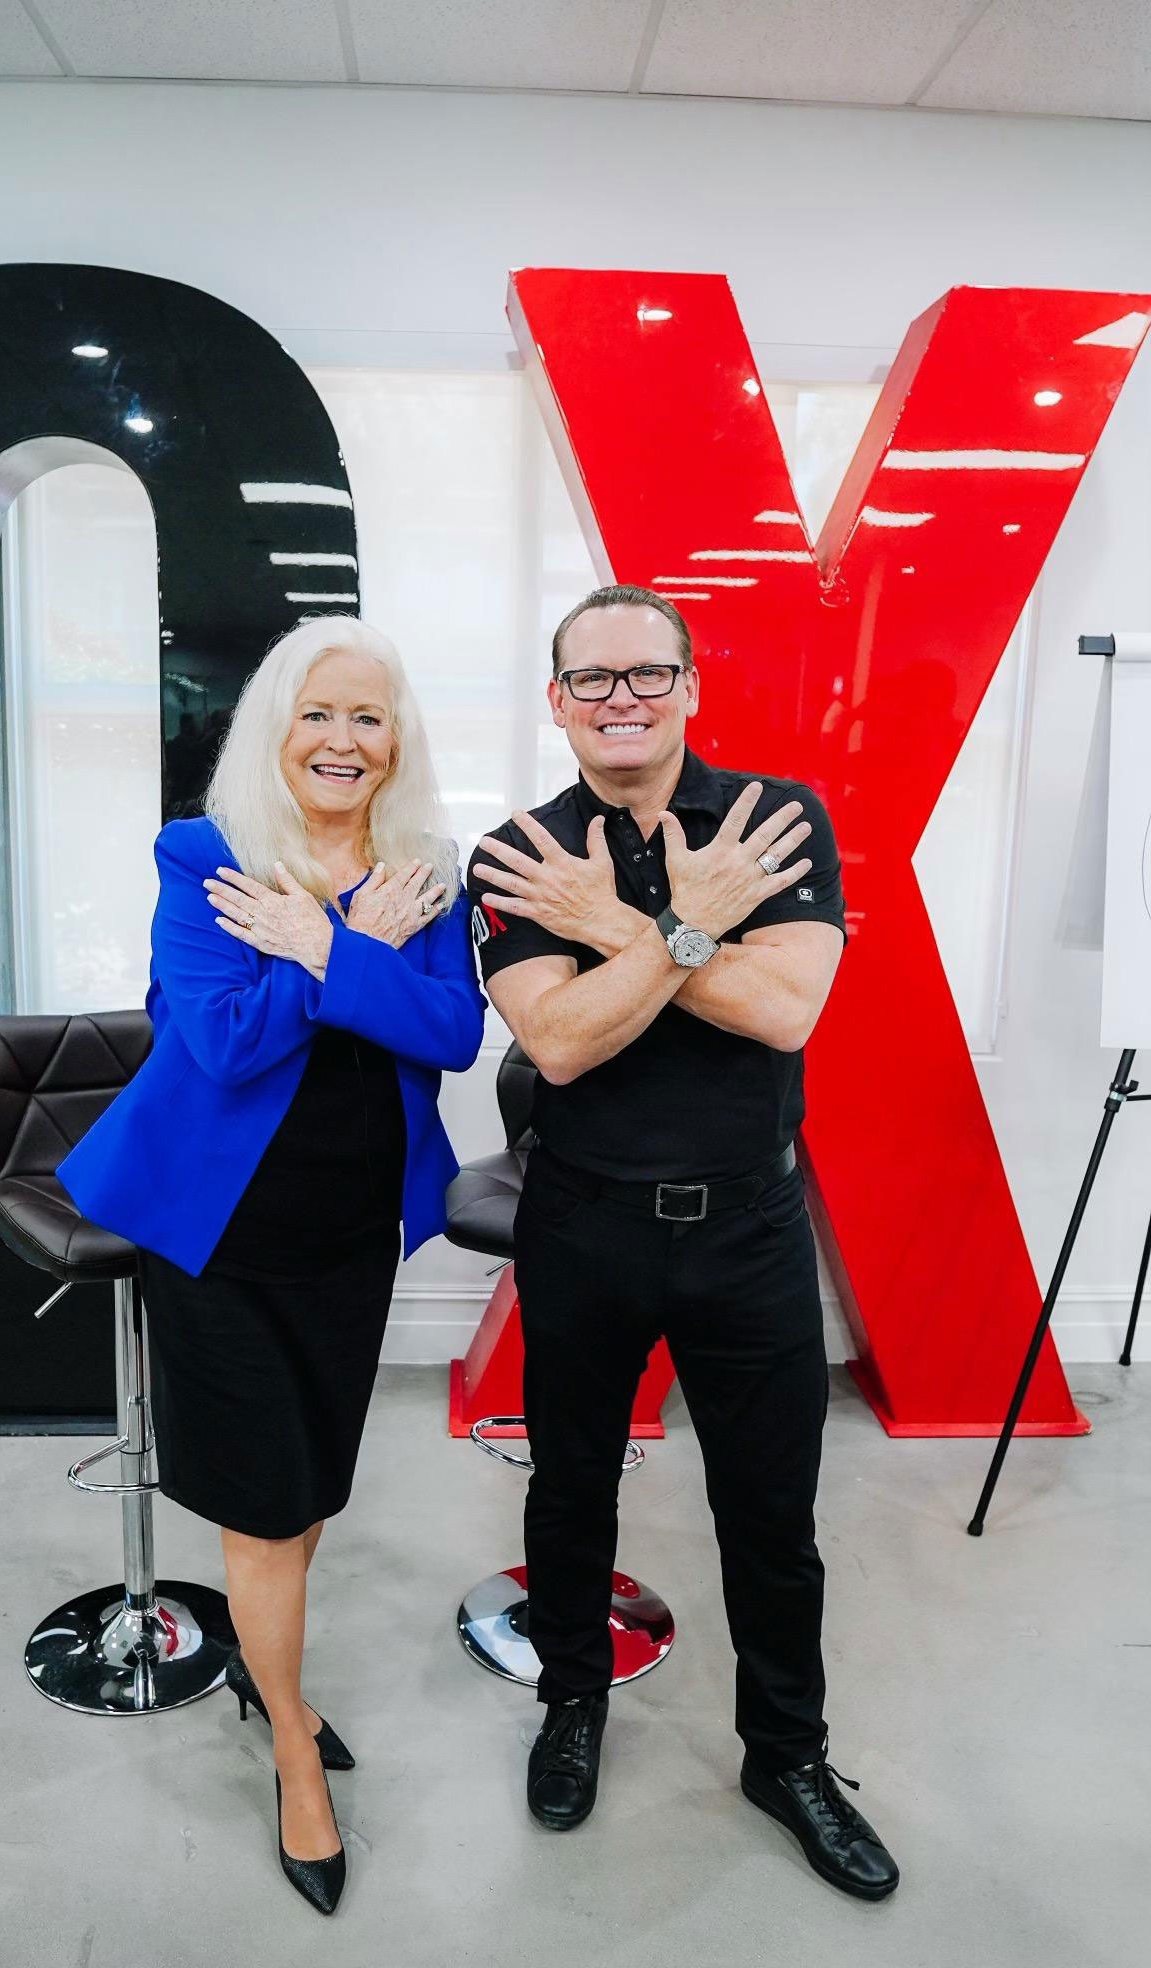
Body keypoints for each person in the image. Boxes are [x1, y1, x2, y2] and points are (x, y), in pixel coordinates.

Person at [467, 584, 898, 1901]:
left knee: (770, 1512)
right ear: (558, 701)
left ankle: (789, 1757)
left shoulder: (776, 820)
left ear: (689, 685)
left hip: (748, 1229)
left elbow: (784, 1013)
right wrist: (694, 929)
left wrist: (621, 930)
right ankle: (573, 1704)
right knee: (569, 1488)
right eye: (592, 679)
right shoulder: (519, 854)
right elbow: (558, 1042)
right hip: (584, 1225)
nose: (622, 699)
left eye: (646, 673)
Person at [57, 616, 485, 1916]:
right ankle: (294, 1744)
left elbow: (451, 1032)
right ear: (274, 728)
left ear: (396, 738)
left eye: (368, 716)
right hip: (223, 1237)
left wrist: (319, 945)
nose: (343, 740)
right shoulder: (205, 857)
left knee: (308, 1498)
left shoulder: (427, 870)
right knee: (263, 1504)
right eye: (318, 713)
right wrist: (349, 940)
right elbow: (227, 1042)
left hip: (349, 1235)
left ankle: (263, 1666)